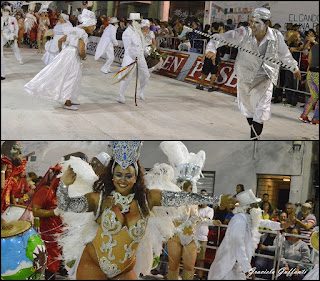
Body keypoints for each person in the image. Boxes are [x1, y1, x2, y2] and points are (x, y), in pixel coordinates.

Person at [54, 141, 235, 280]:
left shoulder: (148, 199)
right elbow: (65, 205)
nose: (123, 180)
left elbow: (182, 197)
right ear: (112, 175)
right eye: (118, 174)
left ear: (136, 176)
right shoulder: (100, 199)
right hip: (93, 264)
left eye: (128, 175)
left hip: (124, 270)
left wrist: (215, 200)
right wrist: (64, 185)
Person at [205, 8, 302, 139]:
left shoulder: (276, 36)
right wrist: (211, 49)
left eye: (257, 22)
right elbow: (221, 37)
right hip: (245, 76)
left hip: (265, 78)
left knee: (261, 111)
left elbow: (284, 54)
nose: (252, 25)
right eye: (251, 21)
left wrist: (294, 68)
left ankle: (254, 140)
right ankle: (254, 131)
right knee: (248, 111)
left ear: (266, 23)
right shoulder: (243, 33)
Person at [160, 141, 223, 280]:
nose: (188, 191)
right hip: (175, 237)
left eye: (190, 188)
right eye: (185, 188)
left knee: (189, 268)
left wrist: (212, 222)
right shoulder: (173, 201)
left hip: (191, 238)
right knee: (173, 268)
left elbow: (196, 220)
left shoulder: (195, 203)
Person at [24, 9, 97, 111]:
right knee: (72, 77)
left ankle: (72, 98)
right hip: (73, 56)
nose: (94, 28)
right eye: (93, 26)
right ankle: (67, 103)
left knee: (71, 76)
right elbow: (81, 50)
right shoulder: (83, 34)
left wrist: (61, 52)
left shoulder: (74, 30)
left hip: (66, 53)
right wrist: (84, 56)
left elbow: (60, 40)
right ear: (89, 25)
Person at [208, 189, 283, 280]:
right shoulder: (239, 220)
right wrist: (247, 268)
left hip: (239, 265)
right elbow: (238, 245)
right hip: (230, 265)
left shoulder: (248, 218)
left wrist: (281, 225)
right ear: (247, 207)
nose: (257, 207)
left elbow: (264, 222)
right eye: (254, 205)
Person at [116, 13, 150, 103]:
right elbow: (128, 47)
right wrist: (134, 55)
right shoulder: (127, 33)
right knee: (127, 76)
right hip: (130, 57)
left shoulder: (138, 31)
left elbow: (142, 44)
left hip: (140, 56)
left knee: (146, 75)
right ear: (133, 22)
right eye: (138, 21)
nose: (140, 23)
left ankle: (140, 91)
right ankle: (120, 95)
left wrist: (147, 51)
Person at [196, 21, 222, 92]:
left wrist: (204, 56)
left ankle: (201, 85)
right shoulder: (220, 37)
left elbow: (208, 47)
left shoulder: (210, 36)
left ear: (212, 28)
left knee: (205, 71)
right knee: (213, 72)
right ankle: (210, 87)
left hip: (209, 56)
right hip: (216, 56)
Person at [195, 190, 216, 280]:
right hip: (193, 236)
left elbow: (206, 220)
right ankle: (193, 275)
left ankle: (199, 276)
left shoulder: (210, 210)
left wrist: (198, 219)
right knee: (192, 258)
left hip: (202, 237)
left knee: (200, 259)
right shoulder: (196, 209)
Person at [299, 43, 319, 124]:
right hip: (318, 74)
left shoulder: (314, 47)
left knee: (314, 96)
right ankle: (316, 118)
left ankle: (304, 115)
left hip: (311, 74)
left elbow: (309, 61)